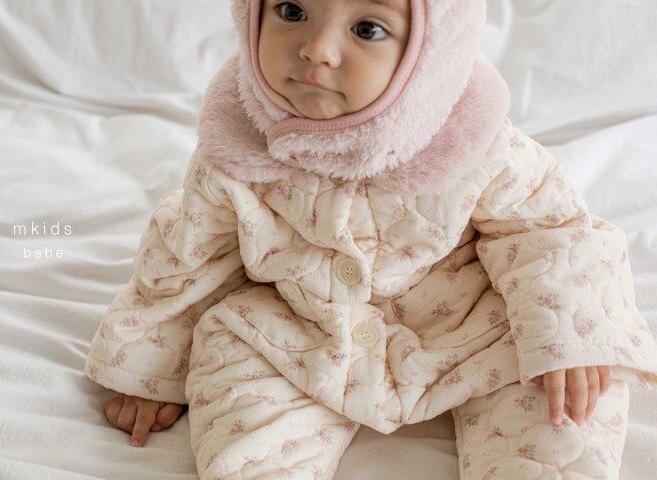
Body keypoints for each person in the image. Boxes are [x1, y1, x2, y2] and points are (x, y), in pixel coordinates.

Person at [84, 0, 657, 478]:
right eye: (291, 11)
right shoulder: (236, 150)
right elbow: (189, 254)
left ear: (431, 50)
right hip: (301, 333)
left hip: (472, 331)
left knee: (564, 404)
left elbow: (552, 231)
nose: (317, 49)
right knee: (237, 384)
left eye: (368, 29)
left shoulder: (473, 142)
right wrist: (151, 368)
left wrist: (568, 337)